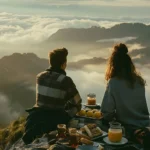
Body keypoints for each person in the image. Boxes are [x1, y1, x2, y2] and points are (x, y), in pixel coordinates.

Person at [22, 48, 82, 144]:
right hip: (56, 118)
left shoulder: (40, 76)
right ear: (63, 64)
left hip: (36, 116)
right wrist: (69, 113)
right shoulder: (66, 80)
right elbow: (77, 102)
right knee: (75, 107)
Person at [101, 43, 150, 131]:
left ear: (113, 65)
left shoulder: (113, 82)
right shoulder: (139, 80)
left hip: (129, 128)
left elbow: (107, 113)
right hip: (146, 125)